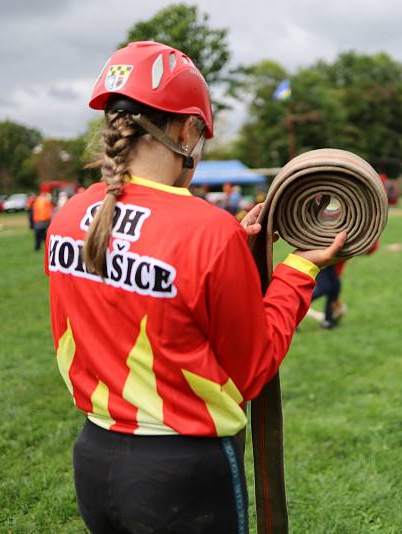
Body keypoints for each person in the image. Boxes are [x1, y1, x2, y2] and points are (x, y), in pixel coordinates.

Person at [45, 41, 345, 534]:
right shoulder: (206, 229)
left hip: (95, 460)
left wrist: (236, 244)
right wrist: (298, 271)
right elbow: (252, 371)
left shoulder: (70, 214)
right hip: (183, 476)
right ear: (187, 128)